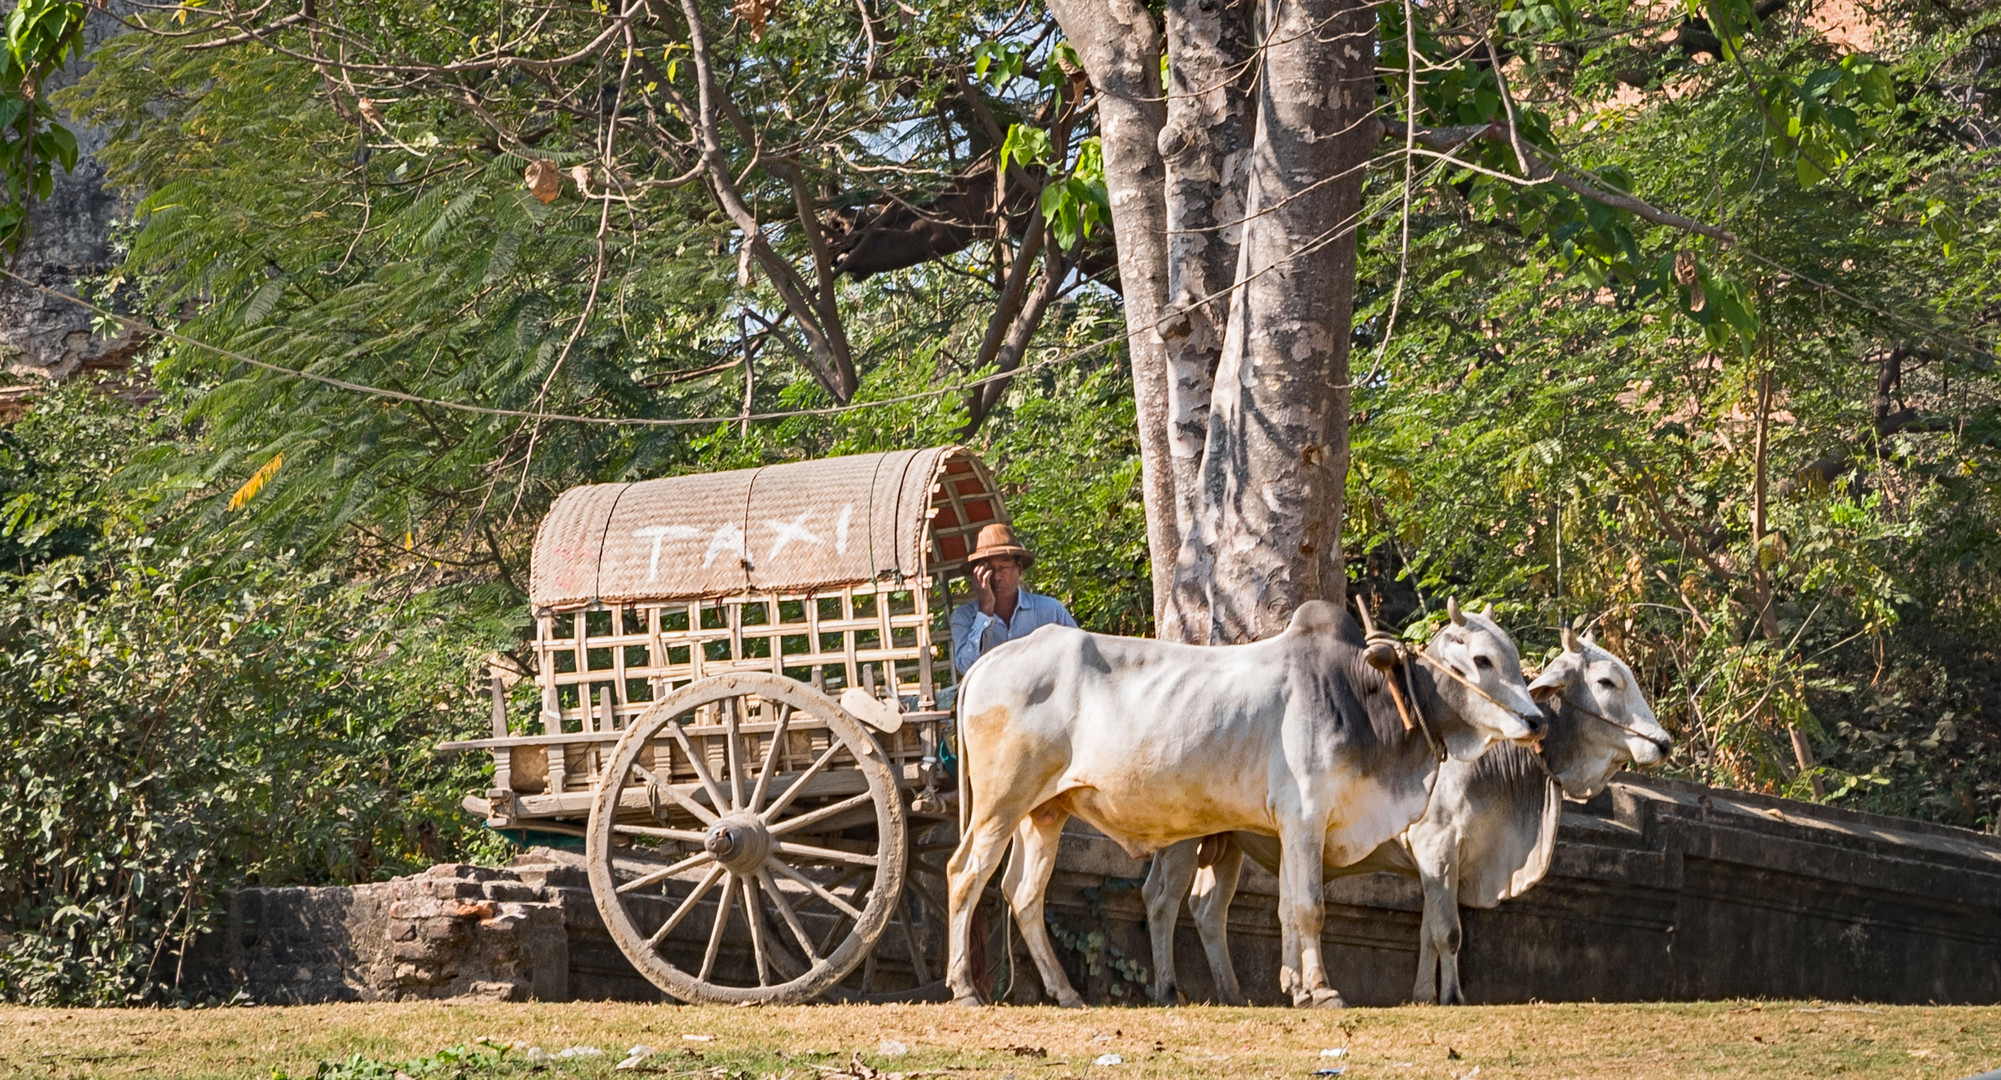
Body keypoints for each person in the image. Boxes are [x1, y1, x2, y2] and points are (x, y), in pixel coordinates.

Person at [949, 522, 1077, 677]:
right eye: (988, 570)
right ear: (976, 576)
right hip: (991, 699)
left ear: (1019, 569)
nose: (996, 577)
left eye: (1003, 567)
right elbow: (966, 667)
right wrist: (985, 609)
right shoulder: (963, 617)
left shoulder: (1051, 611)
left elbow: (1080, 654)